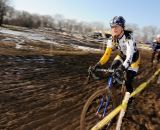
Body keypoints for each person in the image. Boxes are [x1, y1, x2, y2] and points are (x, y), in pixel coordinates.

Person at [92, 16, 140, 106]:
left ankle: (131, 102)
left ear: (122, 27)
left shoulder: (128, 38)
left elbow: (129, 57)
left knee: (127, 81)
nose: (114, 29)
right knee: (112, 69)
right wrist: (98, 64)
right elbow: (106, 55)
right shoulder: (111, 39)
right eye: (112, 27)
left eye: (116, 26)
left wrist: (122, 68)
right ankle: (111, 91)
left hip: (133, 60)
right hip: (122, 56)